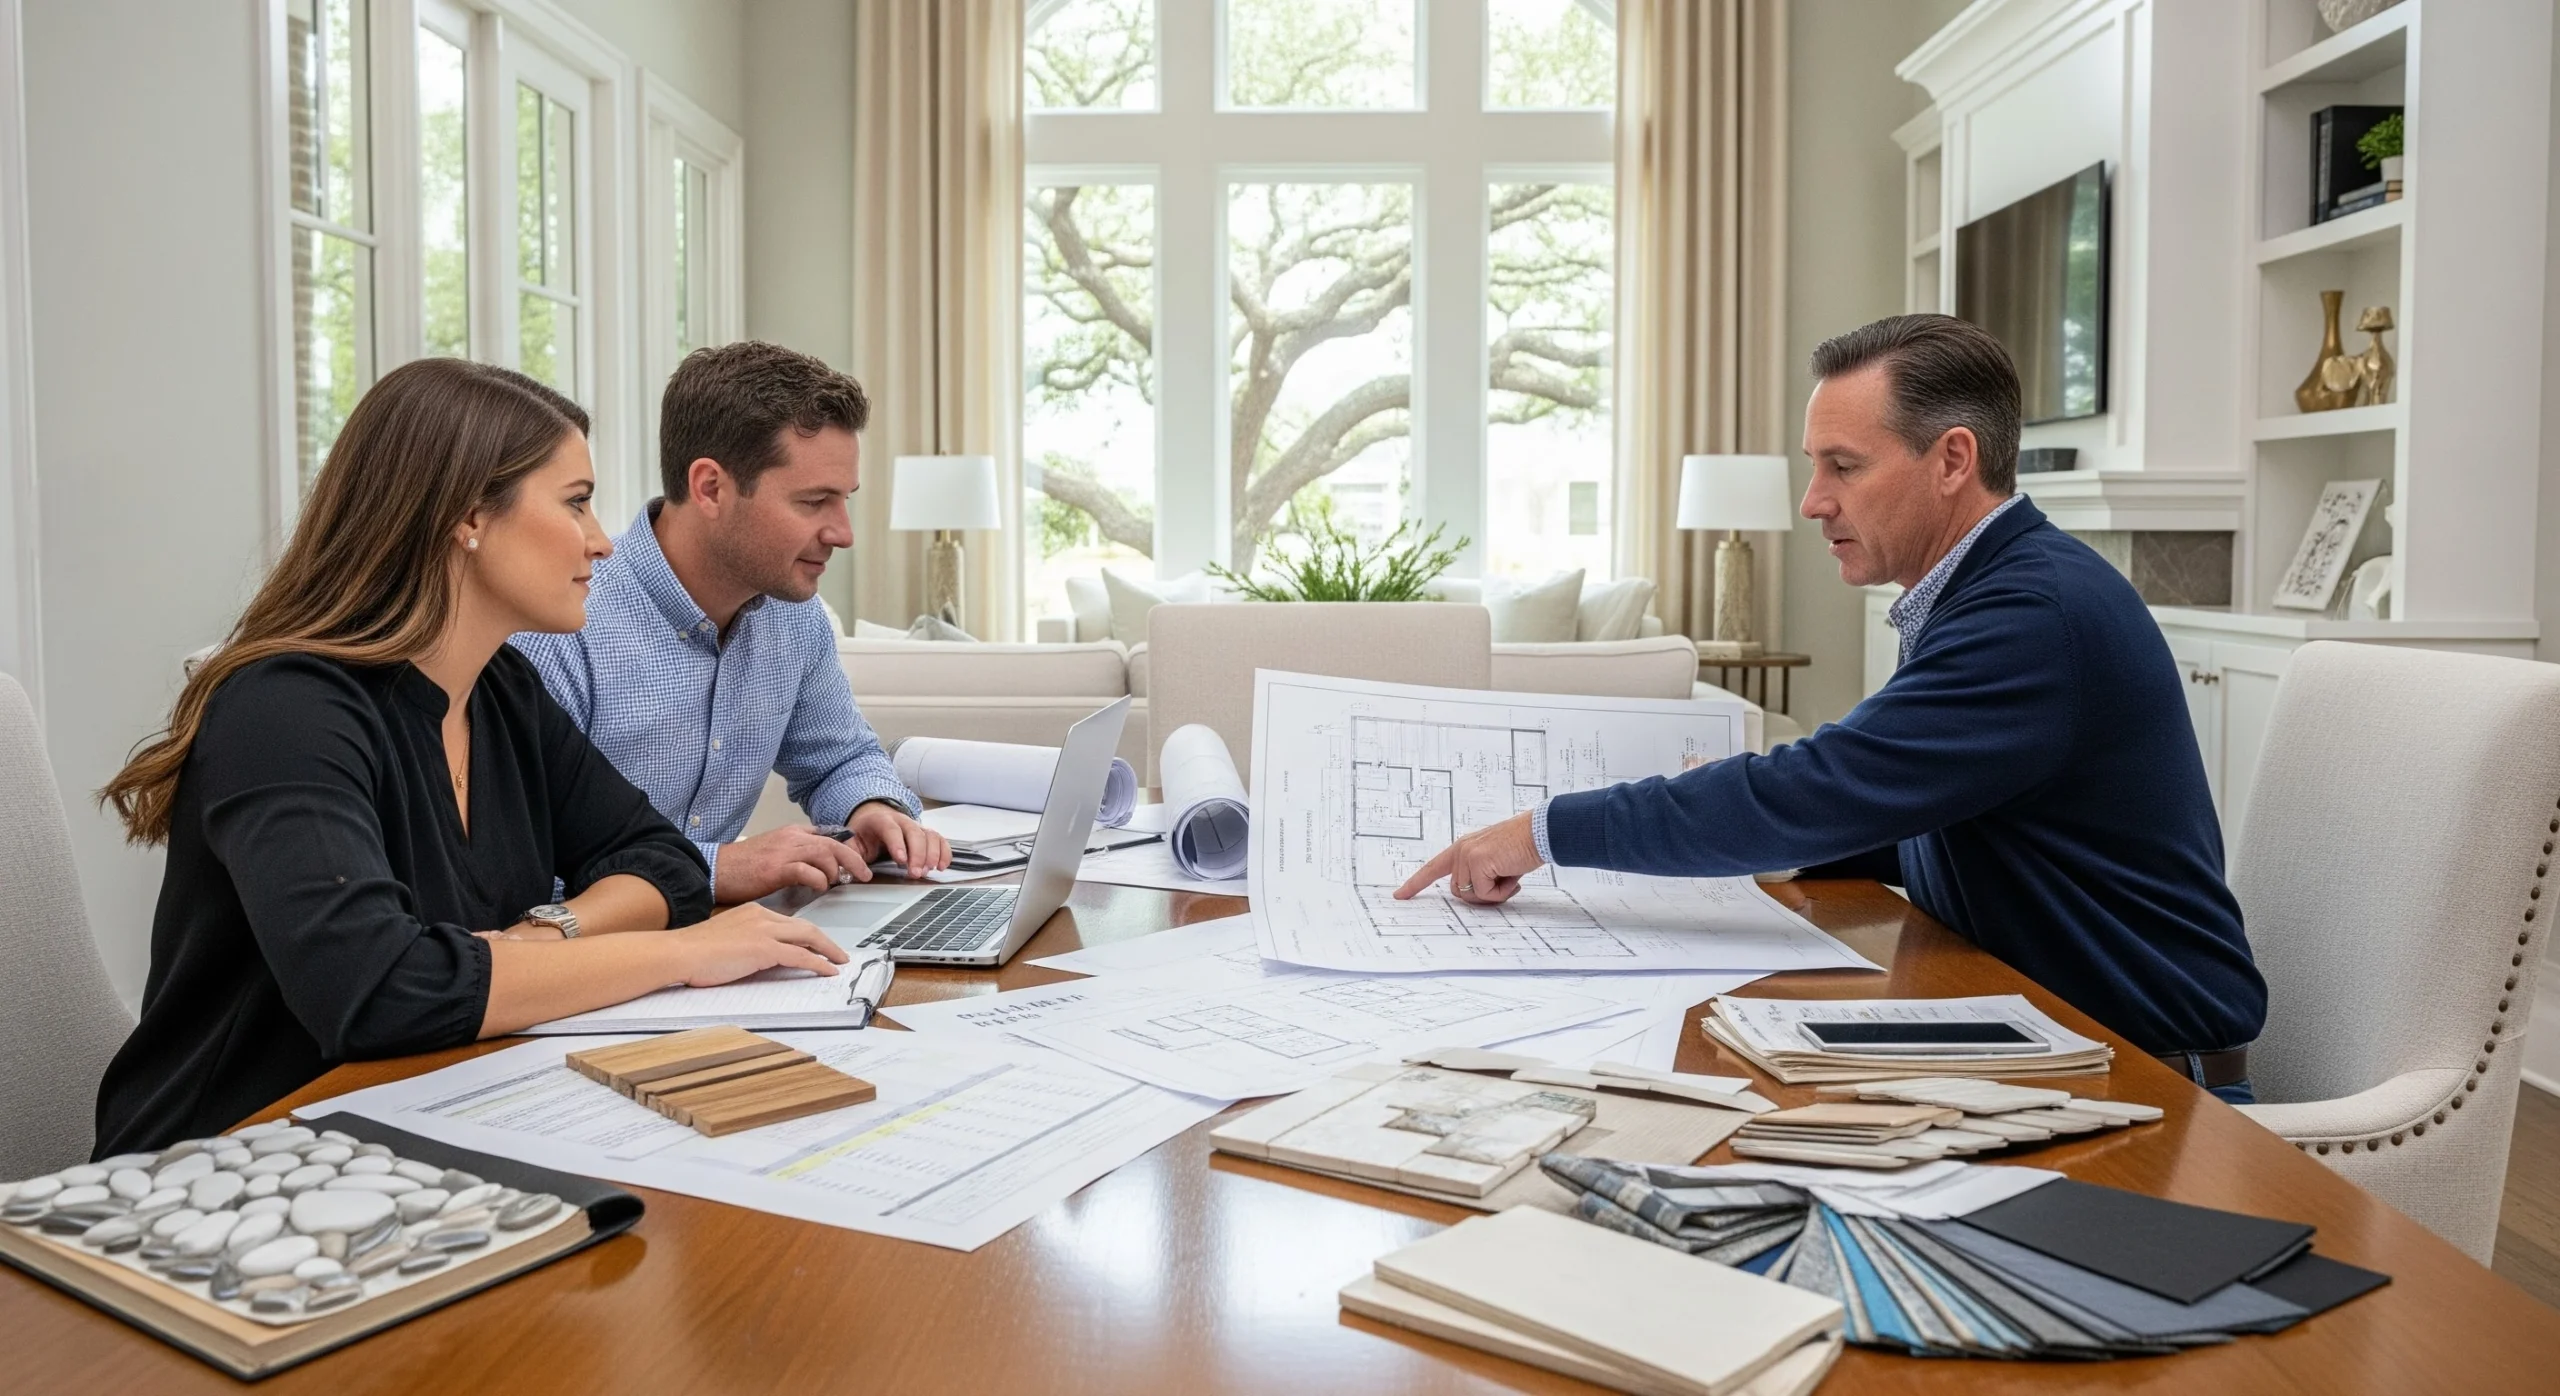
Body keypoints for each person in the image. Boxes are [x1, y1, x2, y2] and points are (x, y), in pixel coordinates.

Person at [1394, 314, 2267, 1104]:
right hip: (2061, 1035)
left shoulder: (2030, 615)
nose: (1813, 500)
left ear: (1953, 460)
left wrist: (1543, 832)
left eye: (1842, 467)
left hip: (2148, 1077)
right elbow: (1915, 804)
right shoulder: (1984, 589)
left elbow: (1826, 788)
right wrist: (1758, 816)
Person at [92, 360, 850, 1155]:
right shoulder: (283, 710)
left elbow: (661, 862)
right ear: (467, 517)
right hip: (222, 1164)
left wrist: (540, 938)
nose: (601, 541)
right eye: (577, 503)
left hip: (419, 1122)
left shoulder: (498, 691)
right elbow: (379, 988)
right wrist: (676, 956)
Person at [512, 341, 950, 904]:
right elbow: (520, 876)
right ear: (711, 488)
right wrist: (715, 870)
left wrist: (873, 808)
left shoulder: (796, 619)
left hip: (722, 950)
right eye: (815, 501)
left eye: (845, 500)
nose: (844, 533)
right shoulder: (558, 632)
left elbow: (840, 757)